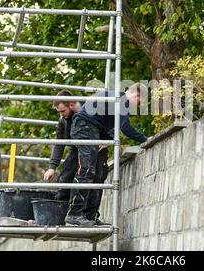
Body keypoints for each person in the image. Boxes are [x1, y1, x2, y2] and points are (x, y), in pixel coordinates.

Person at [65, 83, 148, 226]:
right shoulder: (121, 99)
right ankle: (75, 214)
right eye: (139, 103)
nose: (137, 107)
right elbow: (124, 127)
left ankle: (90, 216)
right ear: (136, 95)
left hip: (95, 129)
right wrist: (145, 140)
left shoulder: (116, 98)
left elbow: (104, 119)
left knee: (98, 174)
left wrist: (109, 140)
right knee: (86, 171)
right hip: (85, 127)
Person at [43, 90, 110, 225]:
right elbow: (59, 143)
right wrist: (52, 167)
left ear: (71, 105)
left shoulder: (90, 109)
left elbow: (110, 121)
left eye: (63, 111)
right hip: (76, 149)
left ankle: (91, 217)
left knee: (97, 180)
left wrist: (109, 139)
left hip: (97, 148)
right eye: (59, 112)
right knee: (66, 176)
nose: (62, 115)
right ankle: (61, 214)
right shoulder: (63, 120)